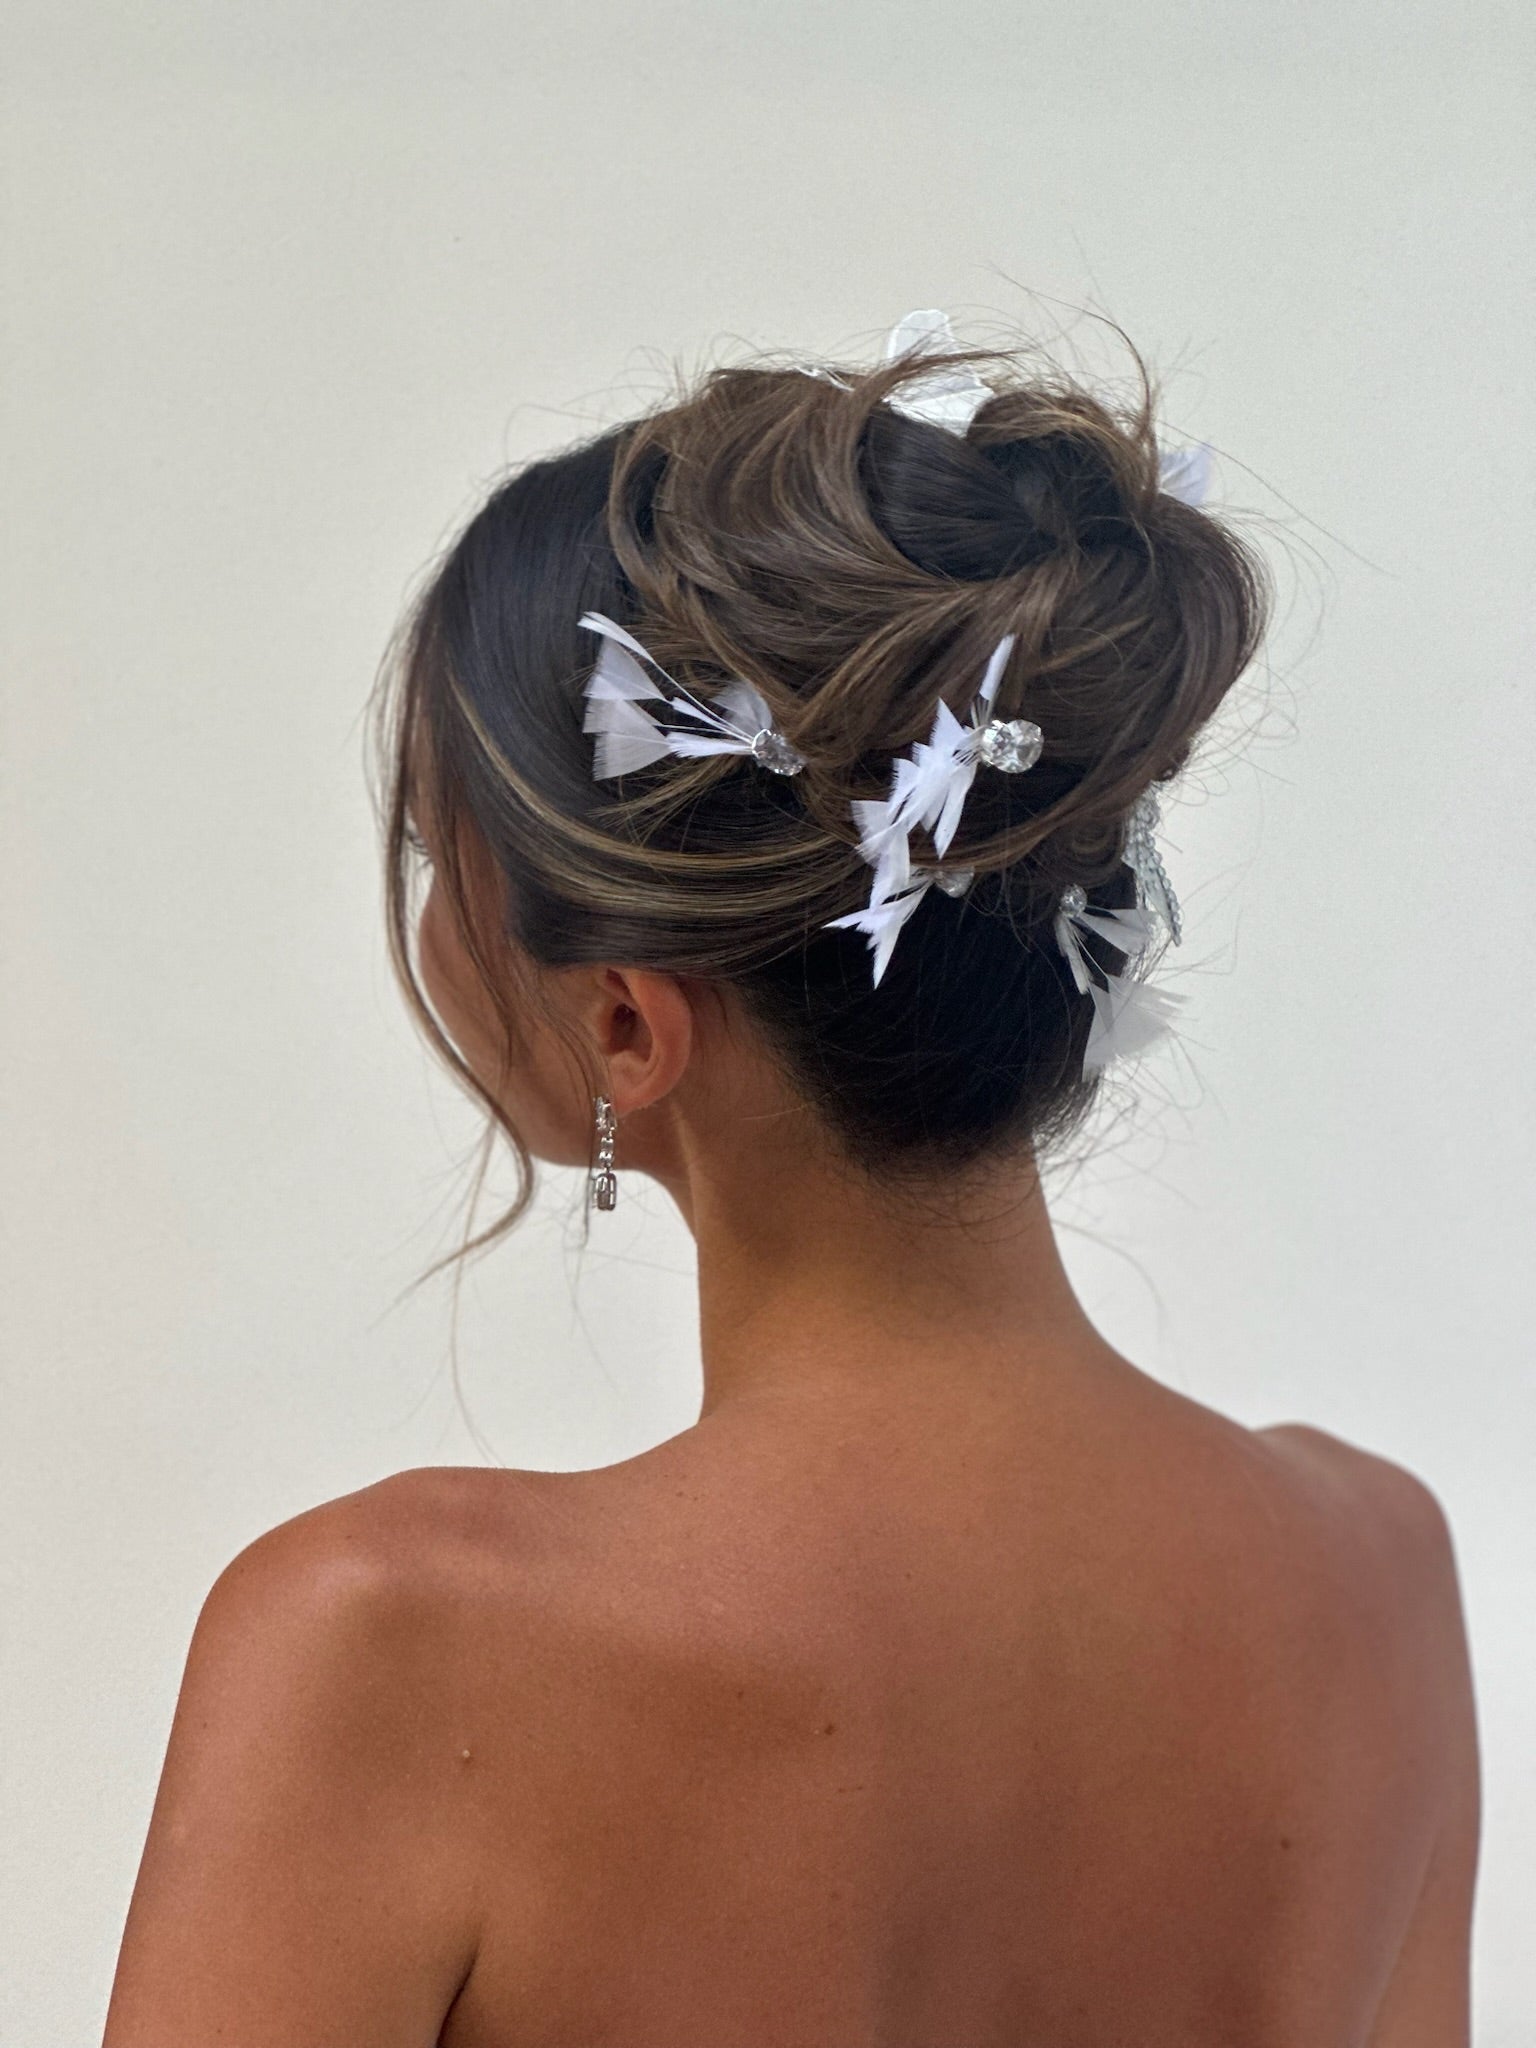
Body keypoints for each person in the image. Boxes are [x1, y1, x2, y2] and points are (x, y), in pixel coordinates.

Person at [104, 318, 1481, 2047]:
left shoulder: (394, 1649)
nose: (433, 928)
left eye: (434, 856)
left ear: (625, 1022)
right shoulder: (1377, 1579)